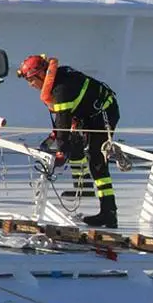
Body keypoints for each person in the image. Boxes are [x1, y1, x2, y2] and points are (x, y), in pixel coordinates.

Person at [18, 54, 120, 228]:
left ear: (41, 75)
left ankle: (109, 214)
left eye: (31, 80)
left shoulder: (61, 89)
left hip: (103, 115)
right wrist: (58, 140)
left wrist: (60, 148)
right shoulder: (59, 79)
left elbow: (62, 123)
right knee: (77, 147)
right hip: (87, 115)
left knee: (97, 161)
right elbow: (63, 123)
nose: (30, 85)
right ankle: (85, 186)